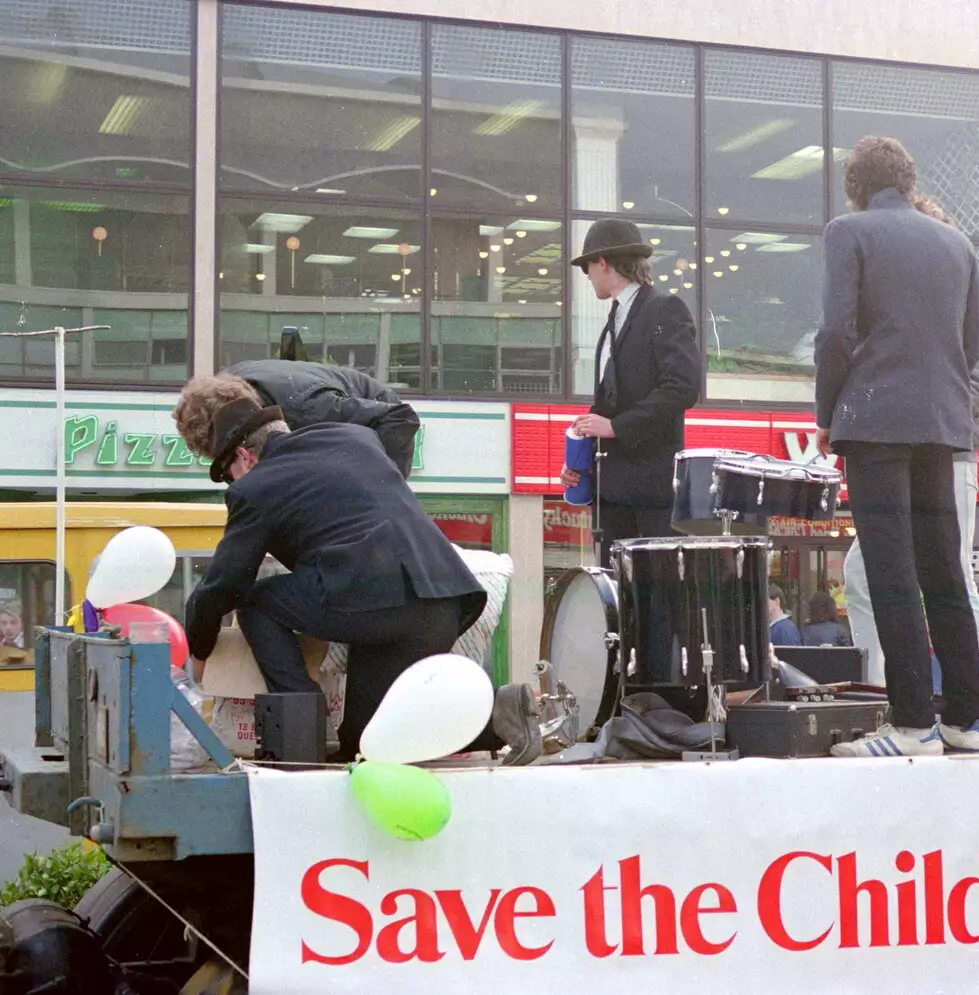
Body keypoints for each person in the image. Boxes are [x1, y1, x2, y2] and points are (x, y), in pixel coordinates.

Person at [182, 394, 546, 764]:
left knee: (254, 601)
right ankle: (502, 716)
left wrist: (200, 646)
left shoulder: (255, 487)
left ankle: (299, 727)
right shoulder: (354, 438)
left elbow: (224, 585)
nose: (231, 483)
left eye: (228, 474)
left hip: (375, 599)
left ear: (245, 456)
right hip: (442, 595)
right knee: (368, 742)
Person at [814, 136, 979, 758]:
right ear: (909, 182)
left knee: (890, 573)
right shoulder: (958, 243)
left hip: (874, 418)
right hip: (942, 423)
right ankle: (969, 720)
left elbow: (837, 330)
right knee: (945, 572)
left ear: (854, 185)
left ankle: (913, 723)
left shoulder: (848, 232)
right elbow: (970, 348)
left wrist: (827, 411)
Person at [841, 192, 979, 693]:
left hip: (948, 452)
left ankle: (976, 696)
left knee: (949, 577)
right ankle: (892, 689)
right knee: (874, 574)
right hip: (931, 444)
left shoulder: (975, 307)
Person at [558, 218, 701, 567]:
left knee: (652, 606)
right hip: (611, 492)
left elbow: (683, 387)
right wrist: (580, 456)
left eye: (588, 267)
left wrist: (616, 427)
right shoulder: (616, 319)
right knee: (614, 602)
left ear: (604, 263)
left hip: (651, 495)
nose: (588, 276)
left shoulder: (664, 309)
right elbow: (612, 399)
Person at [173, 360, 419, 479]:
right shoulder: (226, 389)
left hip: (379, 423)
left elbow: (400, 418)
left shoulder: (309, 409)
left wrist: (379, 488)